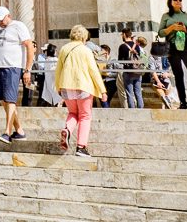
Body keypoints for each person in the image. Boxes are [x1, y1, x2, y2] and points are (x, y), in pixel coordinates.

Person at [54, 25, 107, 159]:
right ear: (84, 36)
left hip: (66, 87)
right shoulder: (85, 50)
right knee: (84, 116)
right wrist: (102, 90)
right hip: (83, 86)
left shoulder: (64, 49)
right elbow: (93, 71)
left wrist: (58, 87)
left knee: (72, 113)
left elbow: (58, 70)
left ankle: (67, 129)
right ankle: (81, 147)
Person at [0, 6, 34, 143]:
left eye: (1, 20)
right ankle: (20, 131)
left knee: (10, 100)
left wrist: (27, 70)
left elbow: (29, 46)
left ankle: (7, 132)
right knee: (4, 101)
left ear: (8, 15)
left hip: (13, 67)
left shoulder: (18, 26)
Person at [117, 29, 144, 109]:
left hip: (128, 72)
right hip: (138, 71)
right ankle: (141, 110)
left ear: (124, 35)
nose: (122, 36)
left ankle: (132, 111)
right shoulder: (137, 46)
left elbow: (120, 60)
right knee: (138, 93)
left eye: (122, 34)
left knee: (129, 93)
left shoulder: (122, 46)